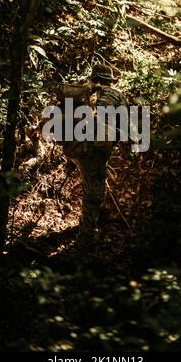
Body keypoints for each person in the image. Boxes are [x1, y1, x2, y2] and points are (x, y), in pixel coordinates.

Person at [61, 64, 128, 248]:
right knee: (94, 194)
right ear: (110, 81)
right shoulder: (116, 95)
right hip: (95, 151)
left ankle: (72, 162)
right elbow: (124, 126)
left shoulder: (80, 92)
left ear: (93, 78)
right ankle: (86, 238)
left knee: (87, 173)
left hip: (74, 147)